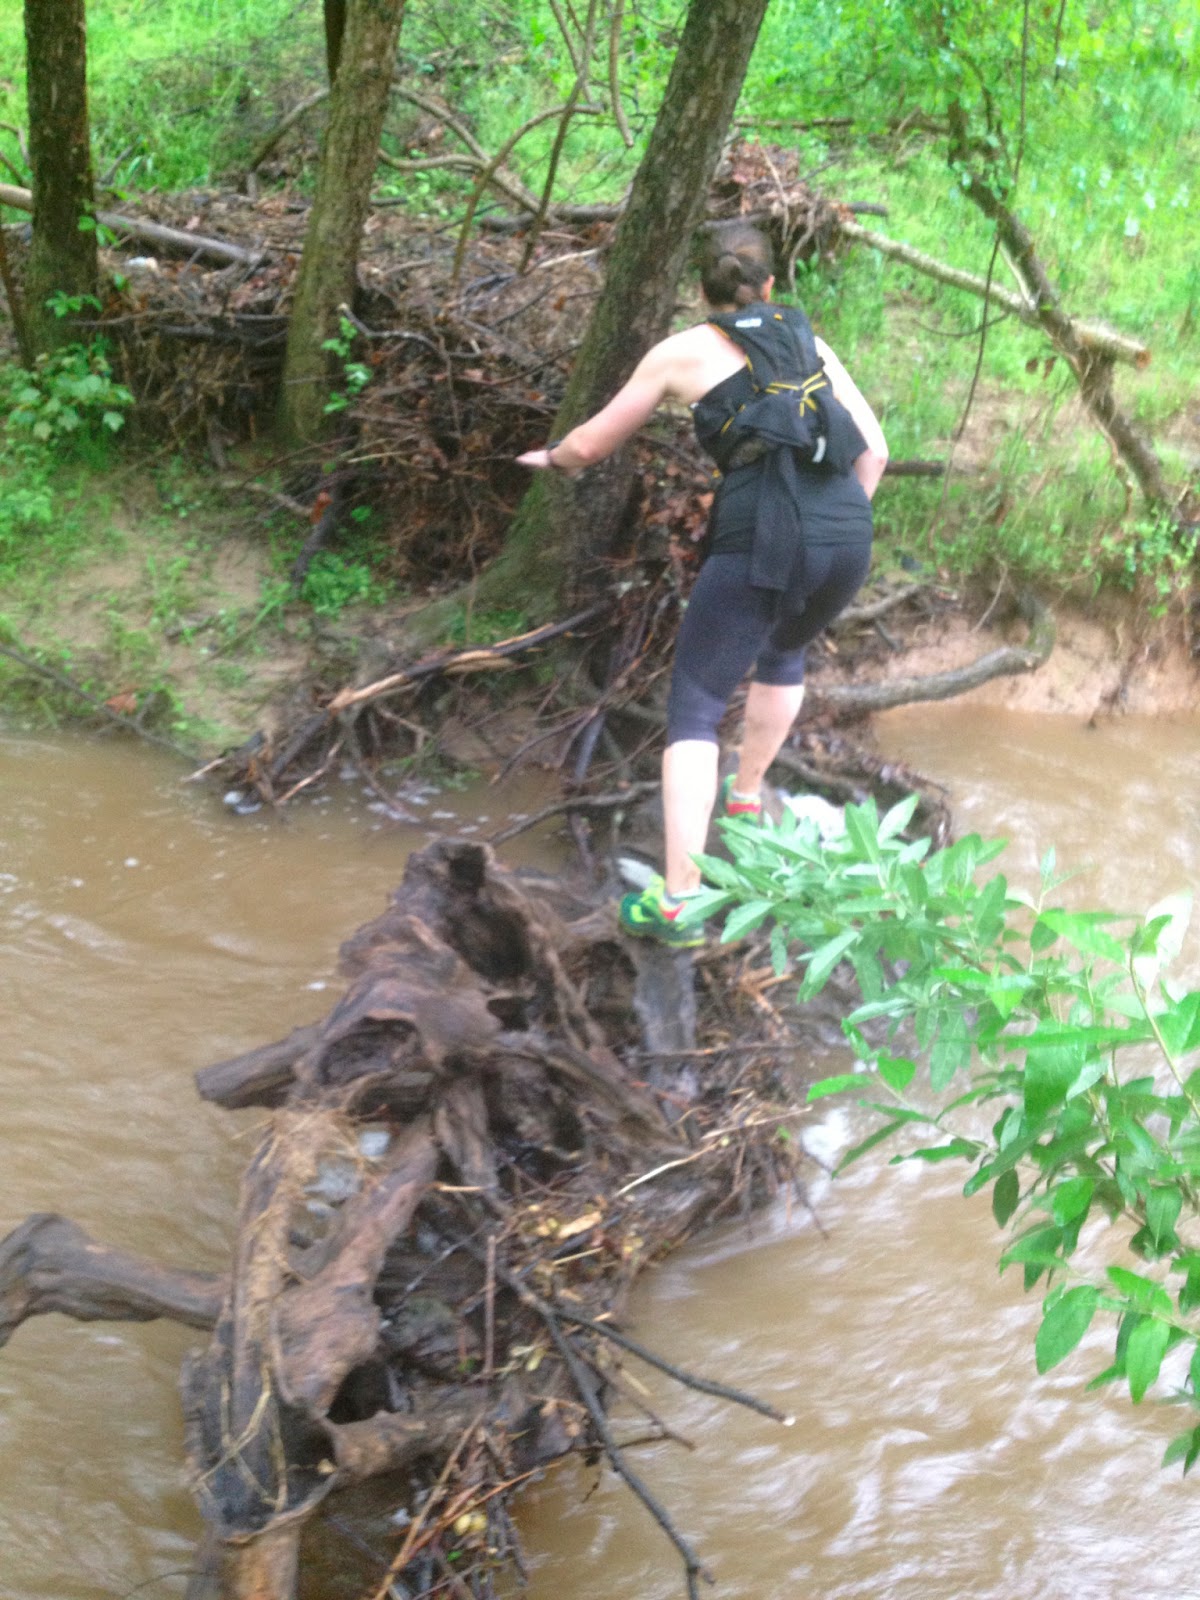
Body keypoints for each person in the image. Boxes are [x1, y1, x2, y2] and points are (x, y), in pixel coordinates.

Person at [517, 224, 888, 948]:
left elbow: (591, 443)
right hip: (848, 535)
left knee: (695, 702)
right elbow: (875, 452)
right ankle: (745, 799)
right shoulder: (810, 343)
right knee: (785, 650)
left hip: (764, 532)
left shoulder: (680, 352)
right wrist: (838, 527)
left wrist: (551, 459)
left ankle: (680, 904)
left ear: (702, 290)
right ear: (771, 286)